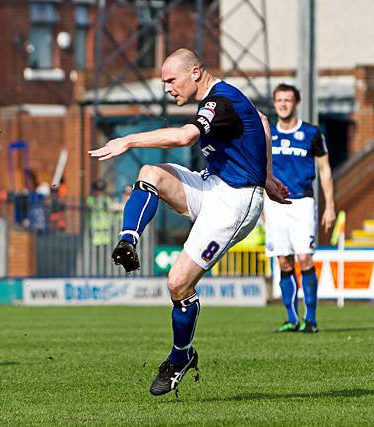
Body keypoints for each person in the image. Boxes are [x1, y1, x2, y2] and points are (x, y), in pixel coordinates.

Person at [89, 48, 289, 396]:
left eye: (171, 79)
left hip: (236, 202)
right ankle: (128, 241)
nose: (167, 87)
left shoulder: (220, 101)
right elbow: (263, 120)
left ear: (195, 72)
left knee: (177, 284)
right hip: (212, 185)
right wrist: (268, 174)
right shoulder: (221, 100)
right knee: (150, 172)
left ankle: (181, 356)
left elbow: (184, 137)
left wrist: (128, 140)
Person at [265, 83, 336, 333]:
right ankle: (292, 318)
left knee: (304, 258)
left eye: (288, 100)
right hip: (274, 205)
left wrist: (330, 207)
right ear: (274, 103)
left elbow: (325, 170)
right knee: (284, 262)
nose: (283, 104)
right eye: (279, 100)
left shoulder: (312, 133)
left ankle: (312, 319)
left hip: (302, 202)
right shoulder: (267, 135)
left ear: (296, 103)